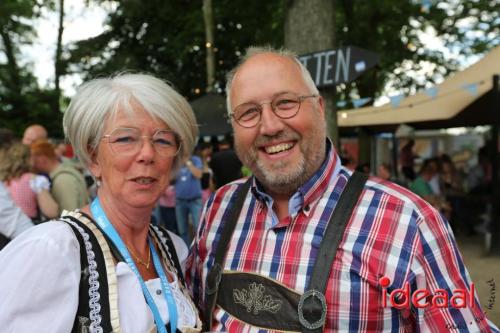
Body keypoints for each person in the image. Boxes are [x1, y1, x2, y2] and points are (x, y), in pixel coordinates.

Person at [187, 47, 498, 332]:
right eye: (248, 112)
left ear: (320, 108)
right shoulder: (220, 207)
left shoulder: (409, 222)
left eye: (285, 103)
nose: (269, 126)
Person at [0, 73, 202, 332]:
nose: (148, 154)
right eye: (125, 138)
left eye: (163, 140)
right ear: (93, 157)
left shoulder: (173, 248)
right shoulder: (54, 250)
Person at [0, 142, 59, 222]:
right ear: (28, 159)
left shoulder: (3, 180)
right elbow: (51, 212)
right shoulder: (34, 180)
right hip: (26, 226)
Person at [30, 140, 90, 213]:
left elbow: (68, 214)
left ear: (43, 159)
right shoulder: (66, 171)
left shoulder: (62, 180)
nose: (32, 166)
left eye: (34, 161)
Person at [174, 153, 203, 245]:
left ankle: (199, 254)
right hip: (180, 201)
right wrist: (177, 166)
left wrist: (188, 163)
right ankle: (186, 255)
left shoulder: (195, 159)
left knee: (198, 229)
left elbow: (199, 175)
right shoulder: (175, 162)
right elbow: (169, 179)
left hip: (195, 200)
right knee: (182, 231)